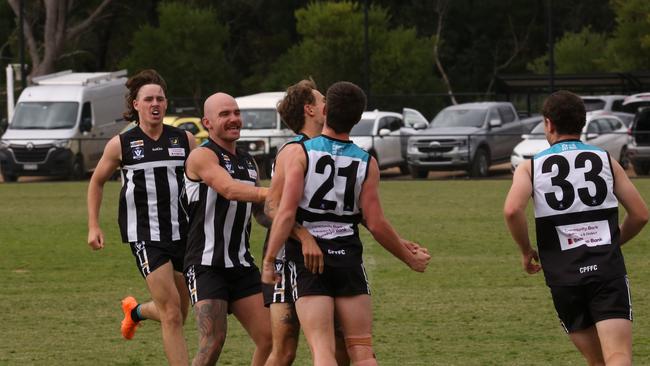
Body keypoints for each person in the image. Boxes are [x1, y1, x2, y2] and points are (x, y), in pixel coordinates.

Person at [262, 81, 431, 366]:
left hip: (309, 263)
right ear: (357, 118)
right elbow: (375, 222)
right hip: (348, 258)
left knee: (323, 350)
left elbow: (285, 213)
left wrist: (268, 262)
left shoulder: (299, 153)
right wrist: (408, 257)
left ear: (325, 111)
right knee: (362, 351)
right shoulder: (367, 161)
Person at [504, 90, 648, 366]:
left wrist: (525, 251)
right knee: (618, 356)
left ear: (548, 124)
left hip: (564, 274)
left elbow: (512, 210)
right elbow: (640, 214)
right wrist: (613, 241)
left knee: (596, 362)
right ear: (582, 123)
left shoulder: (529, 168)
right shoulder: (606, 160)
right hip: (606, 270)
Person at [87, 69, 196, 365]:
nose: (155, 103)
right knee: (171, 313)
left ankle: (135, 312)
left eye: (160, 98)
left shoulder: (185, 140)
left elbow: (204, 177)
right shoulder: (122, 144)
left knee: (178, 314)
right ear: (136, 104)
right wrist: (94, 225)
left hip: (184, 234)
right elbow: (96, 182)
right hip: (146, 236)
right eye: (148, 99)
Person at [262, 79, 349, 366]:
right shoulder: (292, 151)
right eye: (323, 100)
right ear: (310, 110)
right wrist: (304, 236)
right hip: (289, 258)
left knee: (340, 346)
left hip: (329, 257)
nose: (329, 105)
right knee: (285, 349)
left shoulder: (333, 147)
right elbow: (271, 208)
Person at [183, 92, 272, 366]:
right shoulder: (202, 156)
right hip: (206, 264)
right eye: (224, 114)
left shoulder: (248, 162)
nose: (234, 119)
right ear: (207, 122)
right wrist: (282, 191)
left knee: (270, 340)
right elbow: (229, 189)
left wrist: (295, 222)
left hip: (242, 266)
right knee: (212, 342)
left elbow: (261, 214)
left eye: (236, 113)